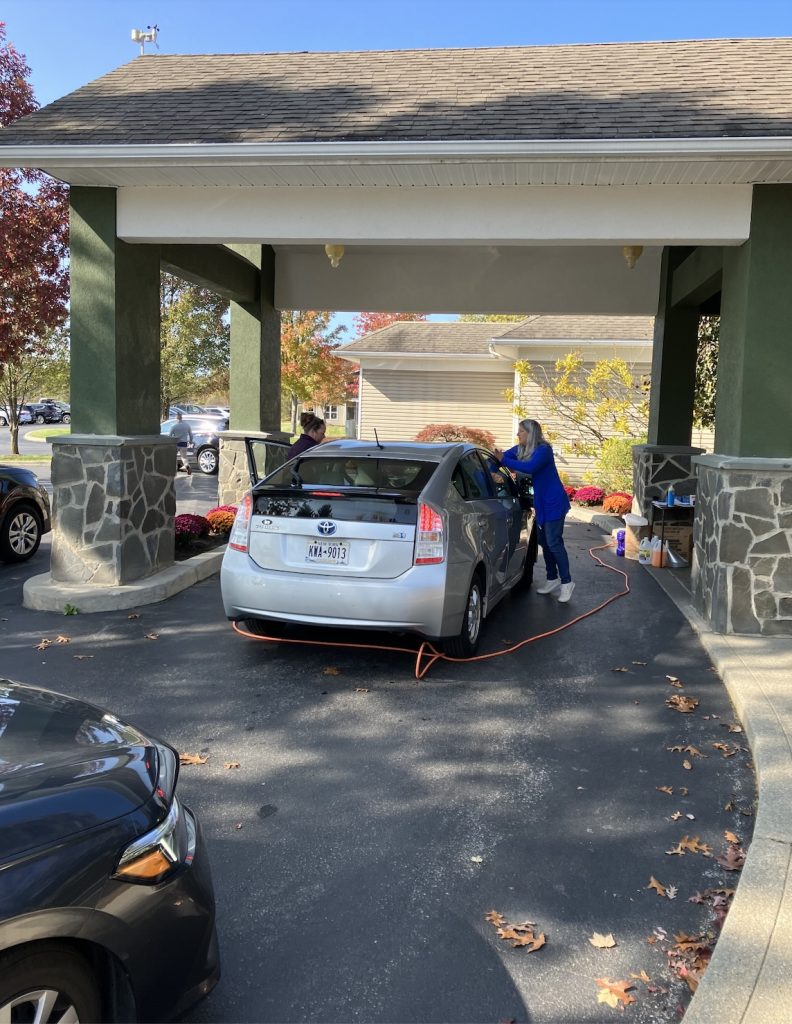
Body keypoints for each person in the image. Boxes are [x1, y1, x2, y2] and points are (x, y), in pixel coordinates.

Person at [496, 419, 574, 602]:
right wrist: (494, 470)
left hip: (554, 502)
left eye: (521, 431)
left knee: (554, 543)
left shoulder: (543, 451)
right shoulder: (520, 449)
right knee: (544, 543)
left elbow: (530, 467)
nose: (518, 435)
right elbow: (497, 460)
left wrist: (504, 461)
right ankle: (552, 578)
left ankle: (567, 582)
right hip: (541, 503)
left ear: (530, 434)